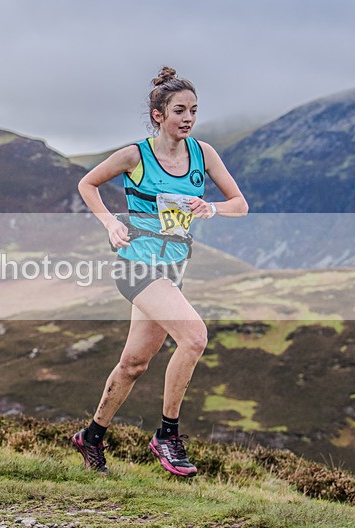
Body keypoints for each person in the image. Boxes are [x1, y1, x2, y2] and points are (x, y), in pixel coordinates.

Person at [72, 67, 248, 477]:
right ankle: (167, 435)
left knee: (134, 363)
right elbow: (87, 184)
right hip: (137, 266)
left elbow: (240, 202)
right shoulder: (137, 154)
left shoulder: (204, 155)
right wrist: (111, 223)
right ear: (158, 115)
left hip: (172, 271)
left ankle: (92, 435)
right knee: (195, 337)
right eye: (179, 111)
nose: (187, 118)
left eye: (193, 110)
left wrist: (213, 207)